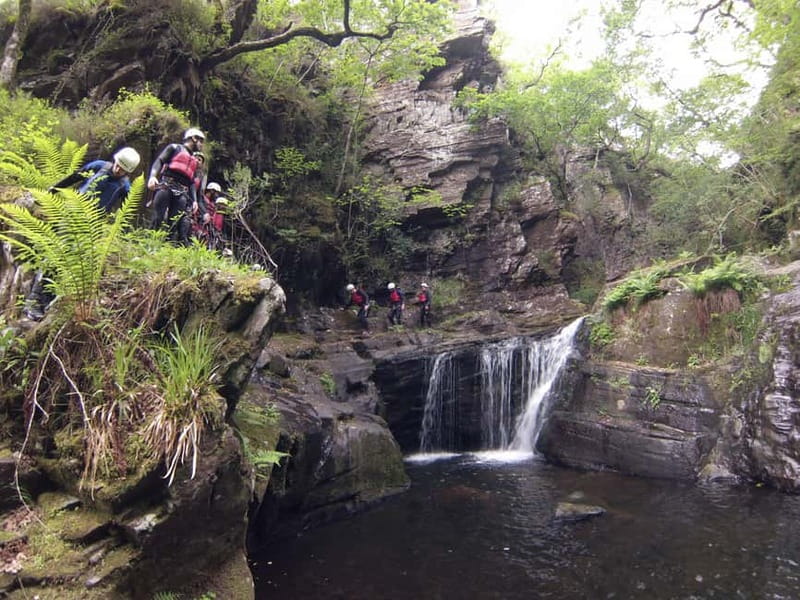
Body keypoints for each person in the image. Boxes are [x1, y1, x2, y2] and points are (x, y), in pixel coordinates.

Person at [148, 127, 209, 244]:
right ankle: (149, 245)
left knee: (174, 224)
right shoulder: (174, 148)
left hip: (181, 193)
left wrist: (194, 201)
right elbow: (160, 161)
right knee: (158, 218)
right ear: (193, 138)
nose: (201, 144)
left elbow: (191, 181)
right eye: (200, 141)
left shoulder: (194, 160)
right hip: (166, 186)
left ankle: (165, 250)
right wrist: (152, 176)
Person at [48, 146, 140, 212]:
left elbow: (125, 211)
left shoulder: (125, 187)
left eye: (122, 169)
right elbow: (74, 177)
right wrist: (54, 189)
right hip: (73, 207)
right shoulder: (98, 166)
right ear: (115, 160)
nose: (117, 170)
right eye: (117, 165)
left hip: (93, 224)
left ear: (128, 171)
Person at [192, 182, 226, 250]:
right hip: (198, 225)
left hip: (208, 229)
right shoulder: (202, 200)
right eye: (216, 193)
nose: (217, 195)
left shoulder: (212, 203)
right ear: (211, 191)